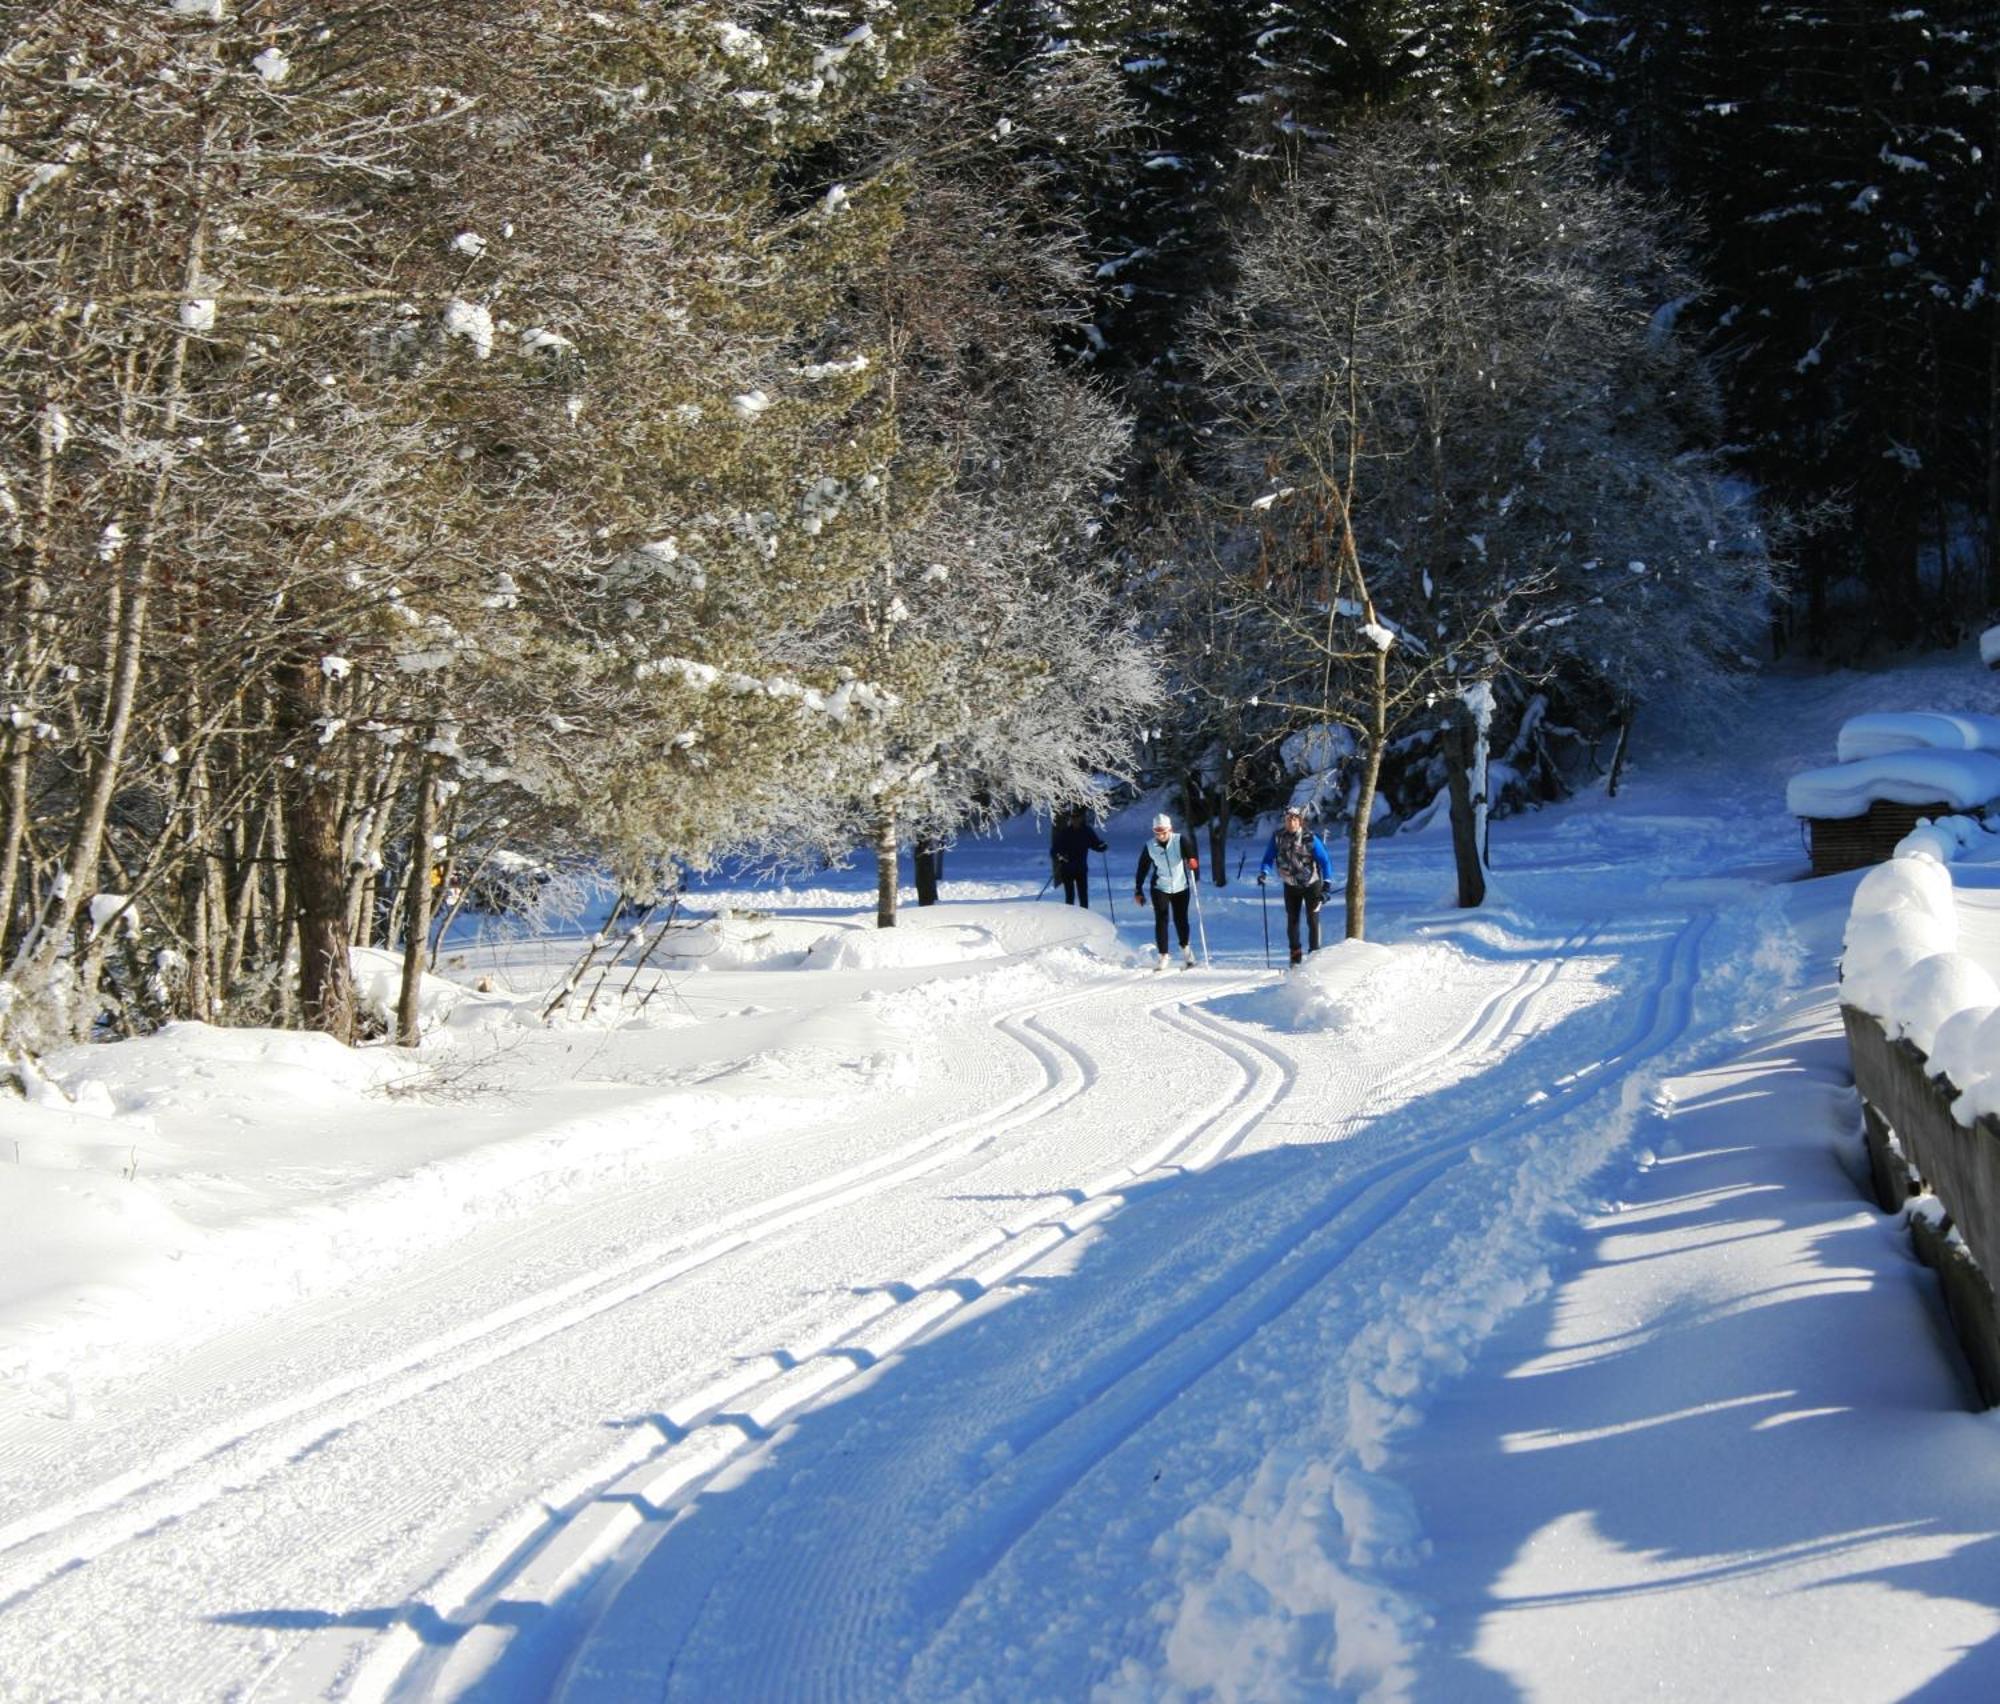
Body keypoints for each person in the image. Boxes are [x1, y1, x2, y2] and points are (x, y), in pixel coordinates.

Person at [1258, 805, 1336, 966]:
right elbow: (1268, 858)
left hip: (1311, 884)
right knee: (1292, 920)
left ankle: (1314, 954)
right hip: (1290, 885)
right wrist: (1263, 872)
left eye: (1294, 819)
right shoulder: (1278, 837)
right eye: (1288, 819)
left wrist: (1327, 885)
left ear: (1300, 821)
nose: (1291, 822)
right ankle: (1295, 955)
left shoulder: (1310, 838)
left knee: (1312, 919)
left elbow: (1325, 861)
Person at [1134, 812, 1200, 970]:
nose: (1161, 835)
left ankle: (1186, 951)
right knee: (1161, 919)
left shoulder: (1179, 840)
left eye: (1163, 831)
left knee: (1180, 919)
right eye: (1157, 832)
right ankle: (1163, 955)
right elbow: (1142, 868)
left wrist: (1192, 860)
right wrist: (1138, 890)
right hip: (1160, 887)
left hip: (1181, 886)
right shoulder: (1150, 846)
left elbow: (1191, 853)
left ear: (1170, 829)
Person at [1049, 806, 1109, 908]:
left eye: (1077, 818)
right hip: (1067, 868)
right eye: (1072, 818)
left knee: (1083, 896)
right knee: (1069, 896)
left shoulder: (1087, 831)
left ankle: (1084, 917)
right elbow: (1054, 850)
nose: (1075, 820)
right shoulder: (1065, 832)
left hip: (1081, 869)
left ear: (1081, 818)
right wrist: (1060, 857)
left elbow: (1095, 844)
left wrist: (1102, 846)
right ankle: (1070, 917)